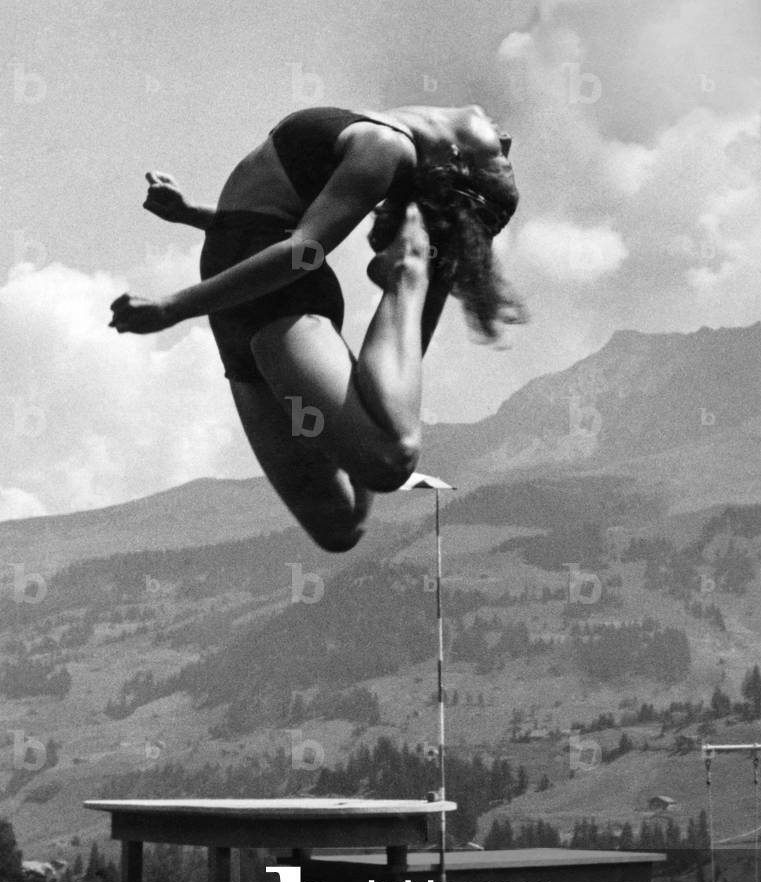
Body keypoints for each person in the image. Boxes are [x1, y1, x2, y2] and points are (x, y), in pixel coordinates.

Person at [109, 104, 522, 552]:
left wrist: (175, 297)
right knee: (339, 526)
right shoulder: (381, 143)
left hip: (282, 305)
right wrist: (188, 237)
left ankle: (407, 275)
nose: (504, 140)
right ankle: (396, 312)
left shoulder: (387, 148)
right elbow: (283, 235)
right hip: (243, 312)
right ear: (458, 162)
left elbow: (293, 245)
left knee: (389, 462)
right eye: (501, 157)